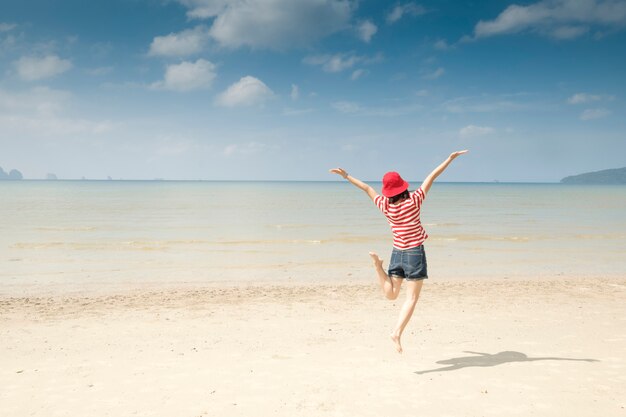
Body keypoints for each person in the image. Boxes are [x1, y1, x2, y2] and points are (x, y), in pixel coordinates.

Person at [330, 150, 468, 353]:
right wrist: (449, 159)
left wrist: (346, 176)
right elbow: (431, 177)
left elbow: (367, 188)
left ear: (387, 191)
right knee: (411, 299)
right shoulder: (414, 201)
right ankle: (396, 332)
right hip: (414, 253)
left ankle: (378, 267)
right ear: (403, 187)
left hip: (397, 252)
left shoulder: (385, 206)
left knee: (392, 294)